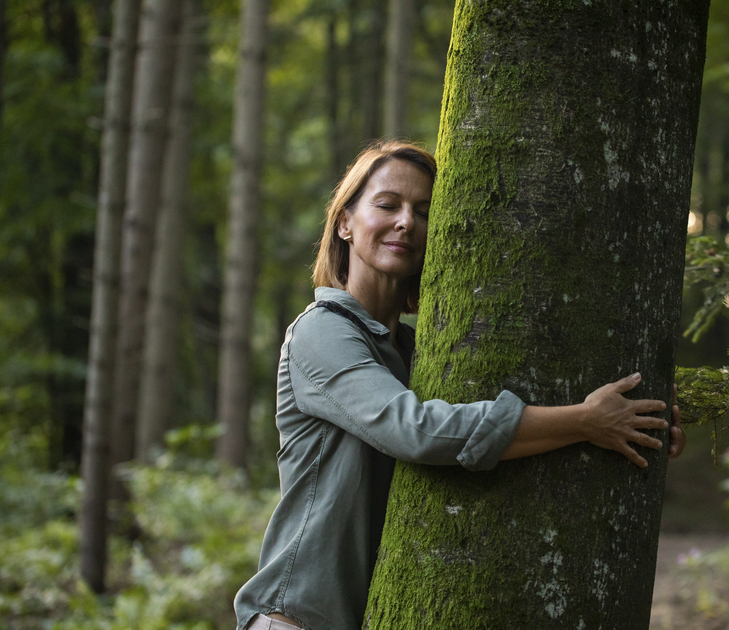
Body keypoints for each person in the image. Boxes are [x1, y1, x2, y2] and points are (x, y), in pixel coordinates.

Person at [233, 141, 686, 630]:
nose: (406, 221)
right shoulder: (320, 332)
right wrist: (583, 421)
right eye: (387, 205)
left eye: (423, 212)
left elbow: (463, 433)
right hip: (292, 620)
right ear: (344, 222)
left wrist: (642, 416)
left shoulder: (414, 352)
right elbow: (417, 431)